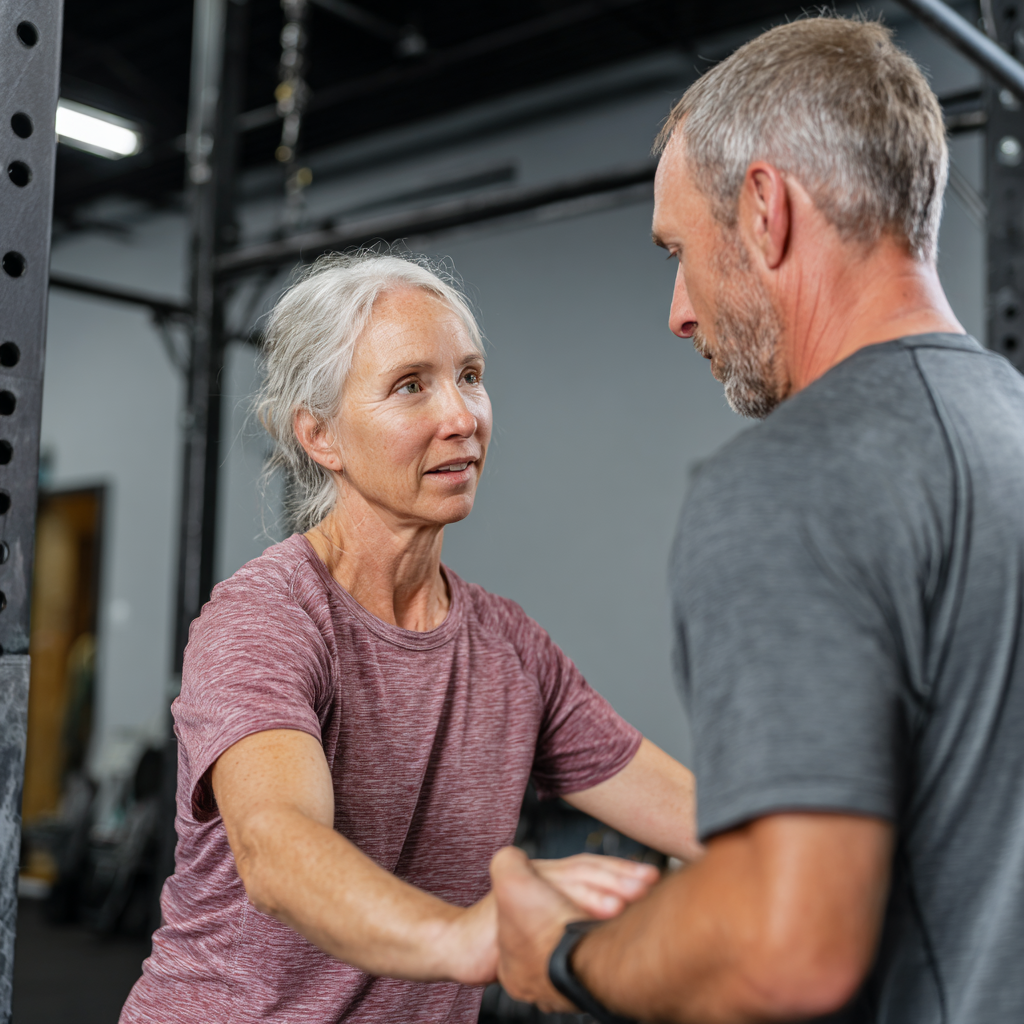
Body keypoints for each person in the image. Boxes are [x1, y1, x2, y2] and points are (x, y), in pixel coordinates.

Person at [490, 15, 1024, 1024]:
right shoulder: (1009, 427)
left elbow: (785, 948)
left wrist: (566, 955)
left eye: (679, 253)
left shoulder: (792, 477)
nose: (678, 310)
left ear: (766, 209)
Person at [120, 252, 702, 1024]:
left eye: (469, 375)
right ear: (320, 435)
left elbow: (700, 816)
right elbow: (275, 848)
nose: (462, 417)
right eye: (410, 386)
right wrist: (463, 936)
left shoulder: (510, 649)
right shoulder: (267, 619)